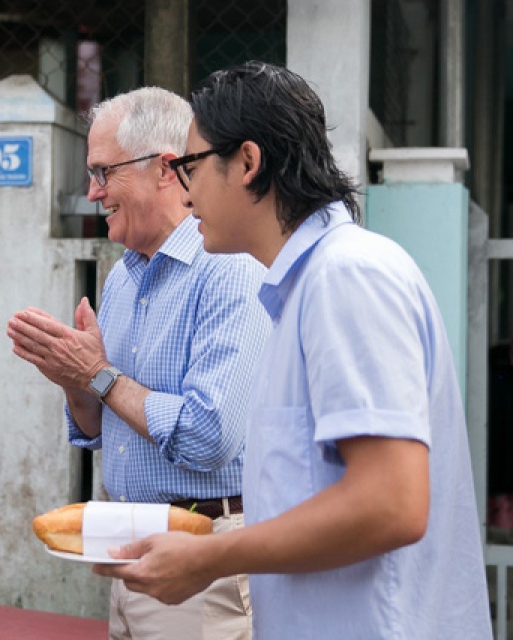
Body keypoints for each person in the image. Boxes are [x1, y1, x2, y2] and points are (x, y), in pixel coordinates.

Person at [95, 61, 493, 638]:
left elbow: (391, 503)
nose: (184, 189)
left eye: (191, 166)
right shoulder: (299, 286)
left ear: (249, 163)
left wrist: (206, 557)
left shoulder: (347, 275)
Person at [7, 87, 269, 640]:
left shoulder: (228, 268)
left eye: (103, 172)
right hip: (129, 552)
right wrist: (75, 383)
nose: (92, 192)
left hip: (203, 554)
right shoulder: (125, 275)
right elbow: (103, 428)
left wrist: (98, 376)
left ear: (166, 170)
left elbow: (209, 436)